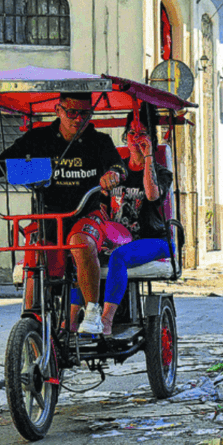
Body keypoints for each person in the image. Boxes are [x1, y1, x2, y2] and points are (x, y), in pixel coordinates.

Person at [0, 92, 127, 335]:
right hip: (48, 216)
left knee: (80, 242)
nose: (78, 119)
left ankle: (92, 311)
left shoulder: (100, 141)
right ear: (58, 110)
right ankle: (31, 317)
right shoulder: (38, 138)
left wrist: (113, 174)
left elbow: (118, 166)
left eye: (85, 113)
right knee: (35, 251)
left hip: (85, 214)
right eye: (72, 112)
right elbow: (4, 162)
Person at [96, 105, 174, 335]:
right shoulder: (116, 172)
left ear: (151, 138)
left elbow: (151, 195)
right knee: (81, 254)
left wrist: (148, 156)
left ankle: (106, 321)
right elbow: (101, 207)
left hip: (154, 240)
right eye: (131, 133)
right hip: (115, 240)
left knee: (119, 257)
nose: (136, 138)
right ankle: (73, 321)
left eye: (142, 133)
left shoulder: (161, 172)